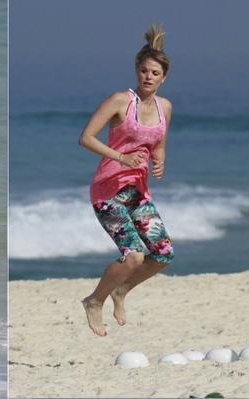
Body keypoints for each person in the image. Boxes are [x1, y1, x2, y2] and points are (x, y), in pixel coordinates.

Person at [78, 24, 174, 336]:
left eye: (155, 73)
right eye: (144, 71)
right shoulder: (121, 101)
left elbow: (158, 141)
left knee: (162, 253)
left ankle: (121, 291)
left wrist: (159, 159)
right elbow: (86, 138)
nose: (148, 76)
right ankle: (95, 300)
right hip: (107, 191)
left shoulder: (165, 108)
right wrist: (120, 158)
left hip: (137, 192)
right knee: (133, 255)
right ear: (137, 71)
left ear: (163, 78)